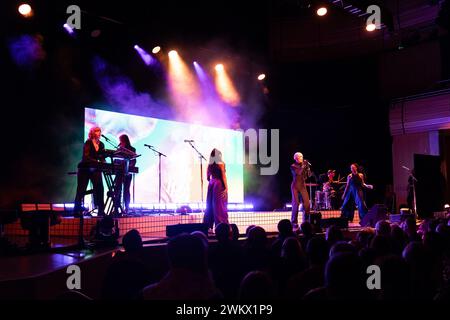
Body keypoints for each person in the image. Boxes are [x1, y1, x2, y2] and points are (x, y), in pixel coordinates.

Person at [74, 126, 105, 216]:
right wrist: (97, 161)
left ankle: (101, 211)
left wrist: (104, 162)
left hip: (96, 169)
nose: (98, 133)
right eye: (96, 131)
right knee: (81, 189)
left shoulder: (102, 144)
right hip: (85, 168)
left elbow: (102, 157)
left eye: (99, 131)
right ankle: (76, 211)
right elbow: (86, 156)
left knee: (100, 189)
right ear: (92, 132)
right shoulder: (88, 143)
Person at [203, 148, 228, 232]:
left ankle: (208, 227)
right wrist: (226, 188)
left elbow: (207, 176)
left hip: (211, 184)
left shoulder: (210, 164)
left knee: (210, 206)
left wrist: (212, 181)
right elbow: (223, 177)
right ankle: (221, 227)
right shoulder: (221, 163)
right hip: (219, 185)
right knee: (219, 207)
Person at [114, 134, 136, 214]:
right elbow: (115, 160)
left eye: (121, 140)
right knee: (117, 190)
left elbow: (134, 161)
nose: (120, 142)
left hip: (127, 172)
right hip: (119, 172)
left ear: (124, 140)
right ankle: (116, 208)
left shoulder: (132, 149)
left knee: (126, 190)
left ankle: (127, 208)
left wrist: (128, 165)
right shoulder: (119, 149)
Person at [290, 152, 311, 229]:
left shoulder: (303, 165)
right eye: (300, 157)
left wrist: (307, 168)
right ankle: (293, 222)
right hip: (295, 186)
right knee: (296, 203)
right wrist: (303, 166)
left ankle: (306, 221)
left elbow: (308, 176)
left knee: (307, 203)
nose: (302, 158)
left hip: (302, 186)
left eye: (302, 156)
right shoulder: (293, 166)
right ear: (295, 158)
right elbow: (298, 173)